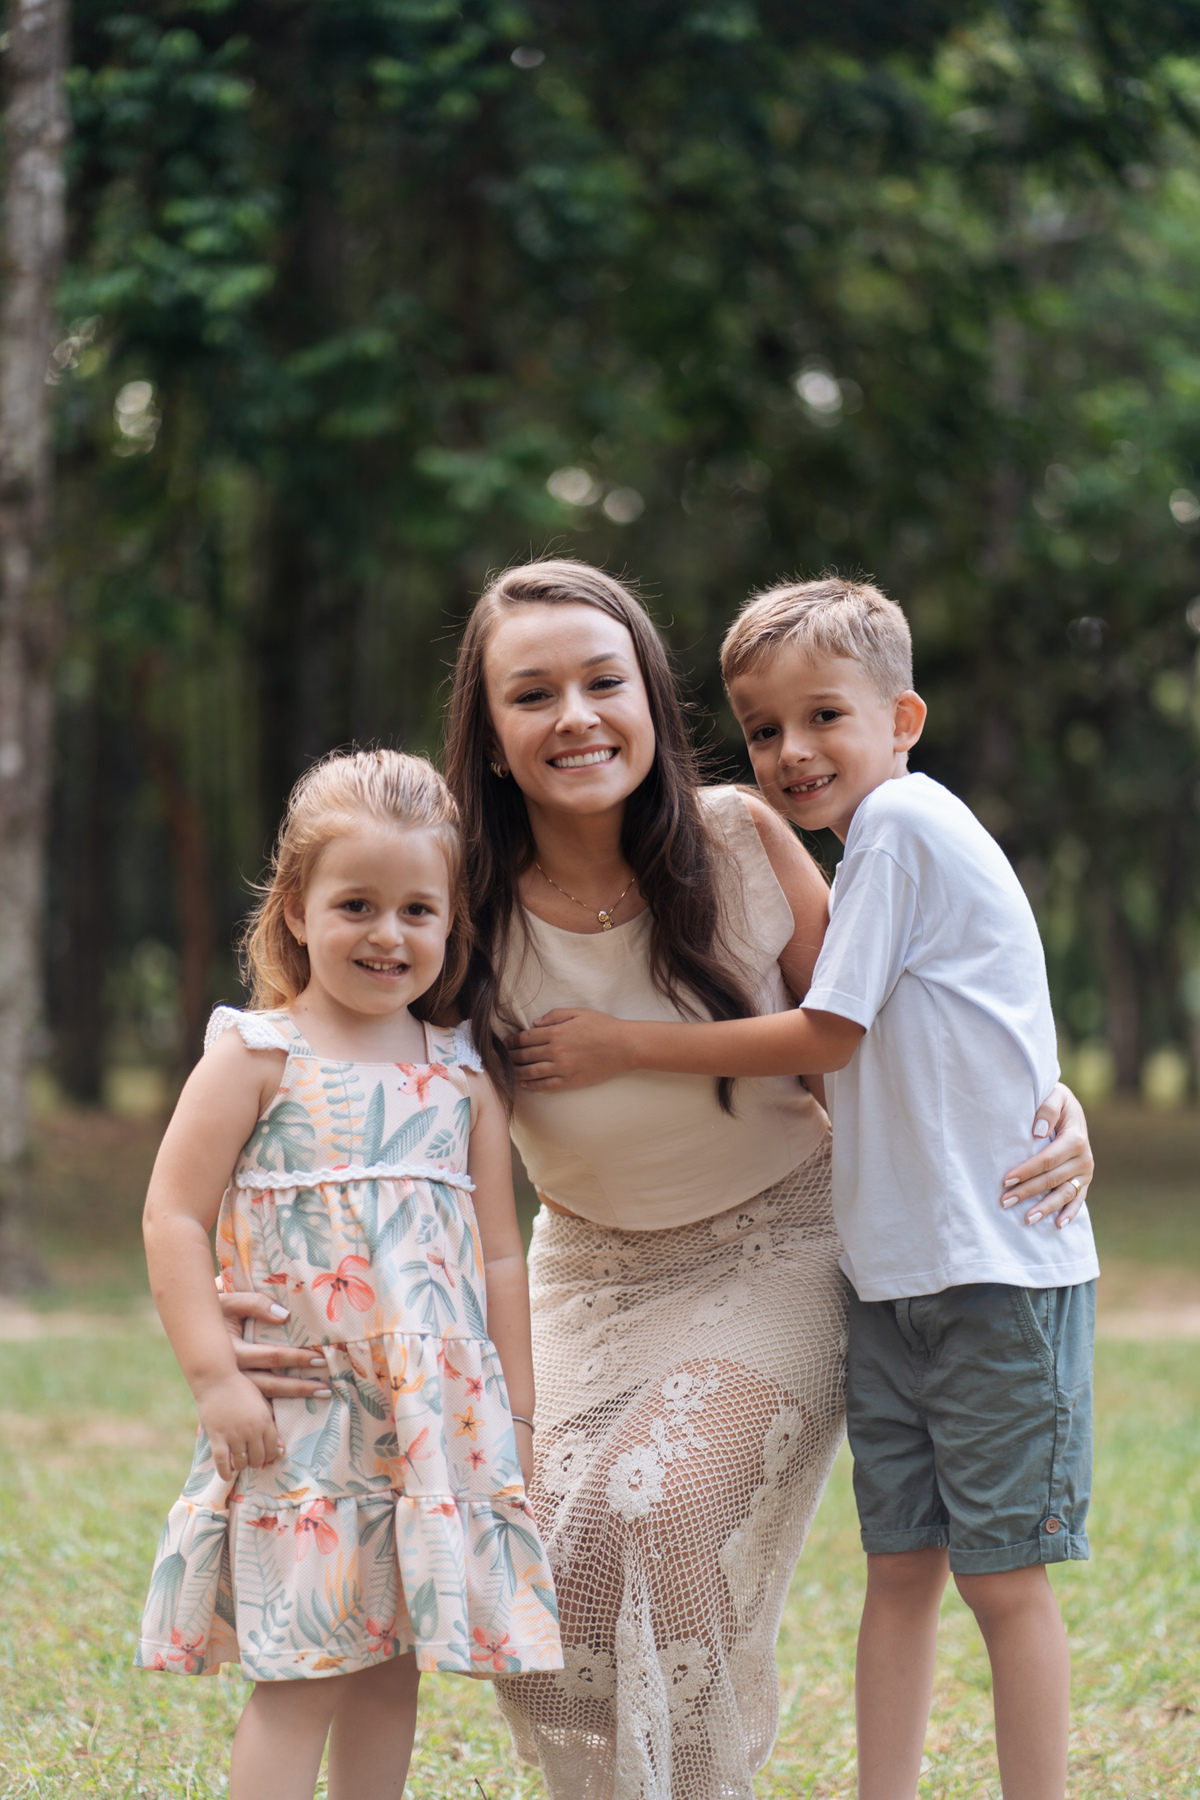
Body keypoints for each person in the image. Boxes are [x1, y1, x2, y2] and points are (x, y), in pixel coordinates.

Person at [222, 560, 1094, 1800]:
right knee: (538, 1557)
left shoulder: (740, 838)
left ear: (646, 694)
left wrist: (1053, 1110)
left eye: (602, 681)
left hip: (781, 1244)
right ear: (494, 732)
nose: (575, 715)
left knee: (656, 1510)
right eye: (534, 694)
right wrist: (238, 1283)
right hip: (582, 1268)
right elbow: (323, 1058)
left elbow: (911, 1007)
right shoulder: (458, 897)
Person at [510, 577, 1097, 1800]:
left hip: (979, 1267)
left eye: (825, 717)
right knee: (898, 1572)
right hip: (888, 1275)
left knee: (995, 1578)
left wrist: (623, 1045)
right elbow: (932, 1021)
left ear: (905, 717)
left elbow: (831, 1028)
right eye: (766, 728)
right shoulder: (877, 844)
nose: (791, 753)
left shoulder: (897, 830)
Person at [136, 749, 561, 1800]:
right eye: (357, 904)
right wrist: (214, 1377)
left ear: (453, 921)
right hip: (305, 1424)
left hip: (427, 1425)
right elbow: (173, 1214)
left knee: (393, 1660)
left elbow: (500, 1253)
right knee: (303, 1669)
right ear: (295, 908)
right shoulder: (257, 1055)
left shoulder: (462, 1072)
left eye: (419, 909)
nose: (388, 934)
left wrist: (522, 1413)